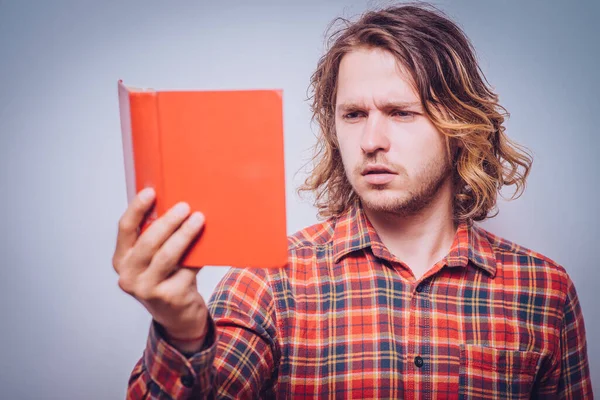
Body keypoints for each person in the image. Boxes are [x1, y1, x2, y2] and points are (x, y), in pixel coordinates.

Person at [113, 3, 593, 399]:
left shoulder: (543, 291)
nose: (370, 140)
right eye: (354, 114)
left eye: (401, 112)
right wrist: (181, 333)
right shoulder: (267, 283)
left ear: (460, 128)